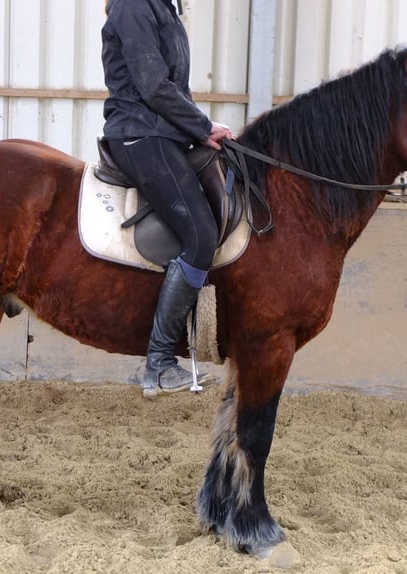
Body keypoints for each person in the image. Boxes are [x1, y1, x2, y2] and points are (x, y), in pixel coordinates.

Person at [101, 0, 233, 399]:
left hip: (165, 134)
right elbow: (153, 85)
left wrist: (200, 131)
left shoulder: (165, 10)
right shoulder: (134, 6)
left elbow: (176, 88)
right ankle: (159, 364)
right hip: (139, 134)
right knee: (200, 234)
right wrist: (202, 124)